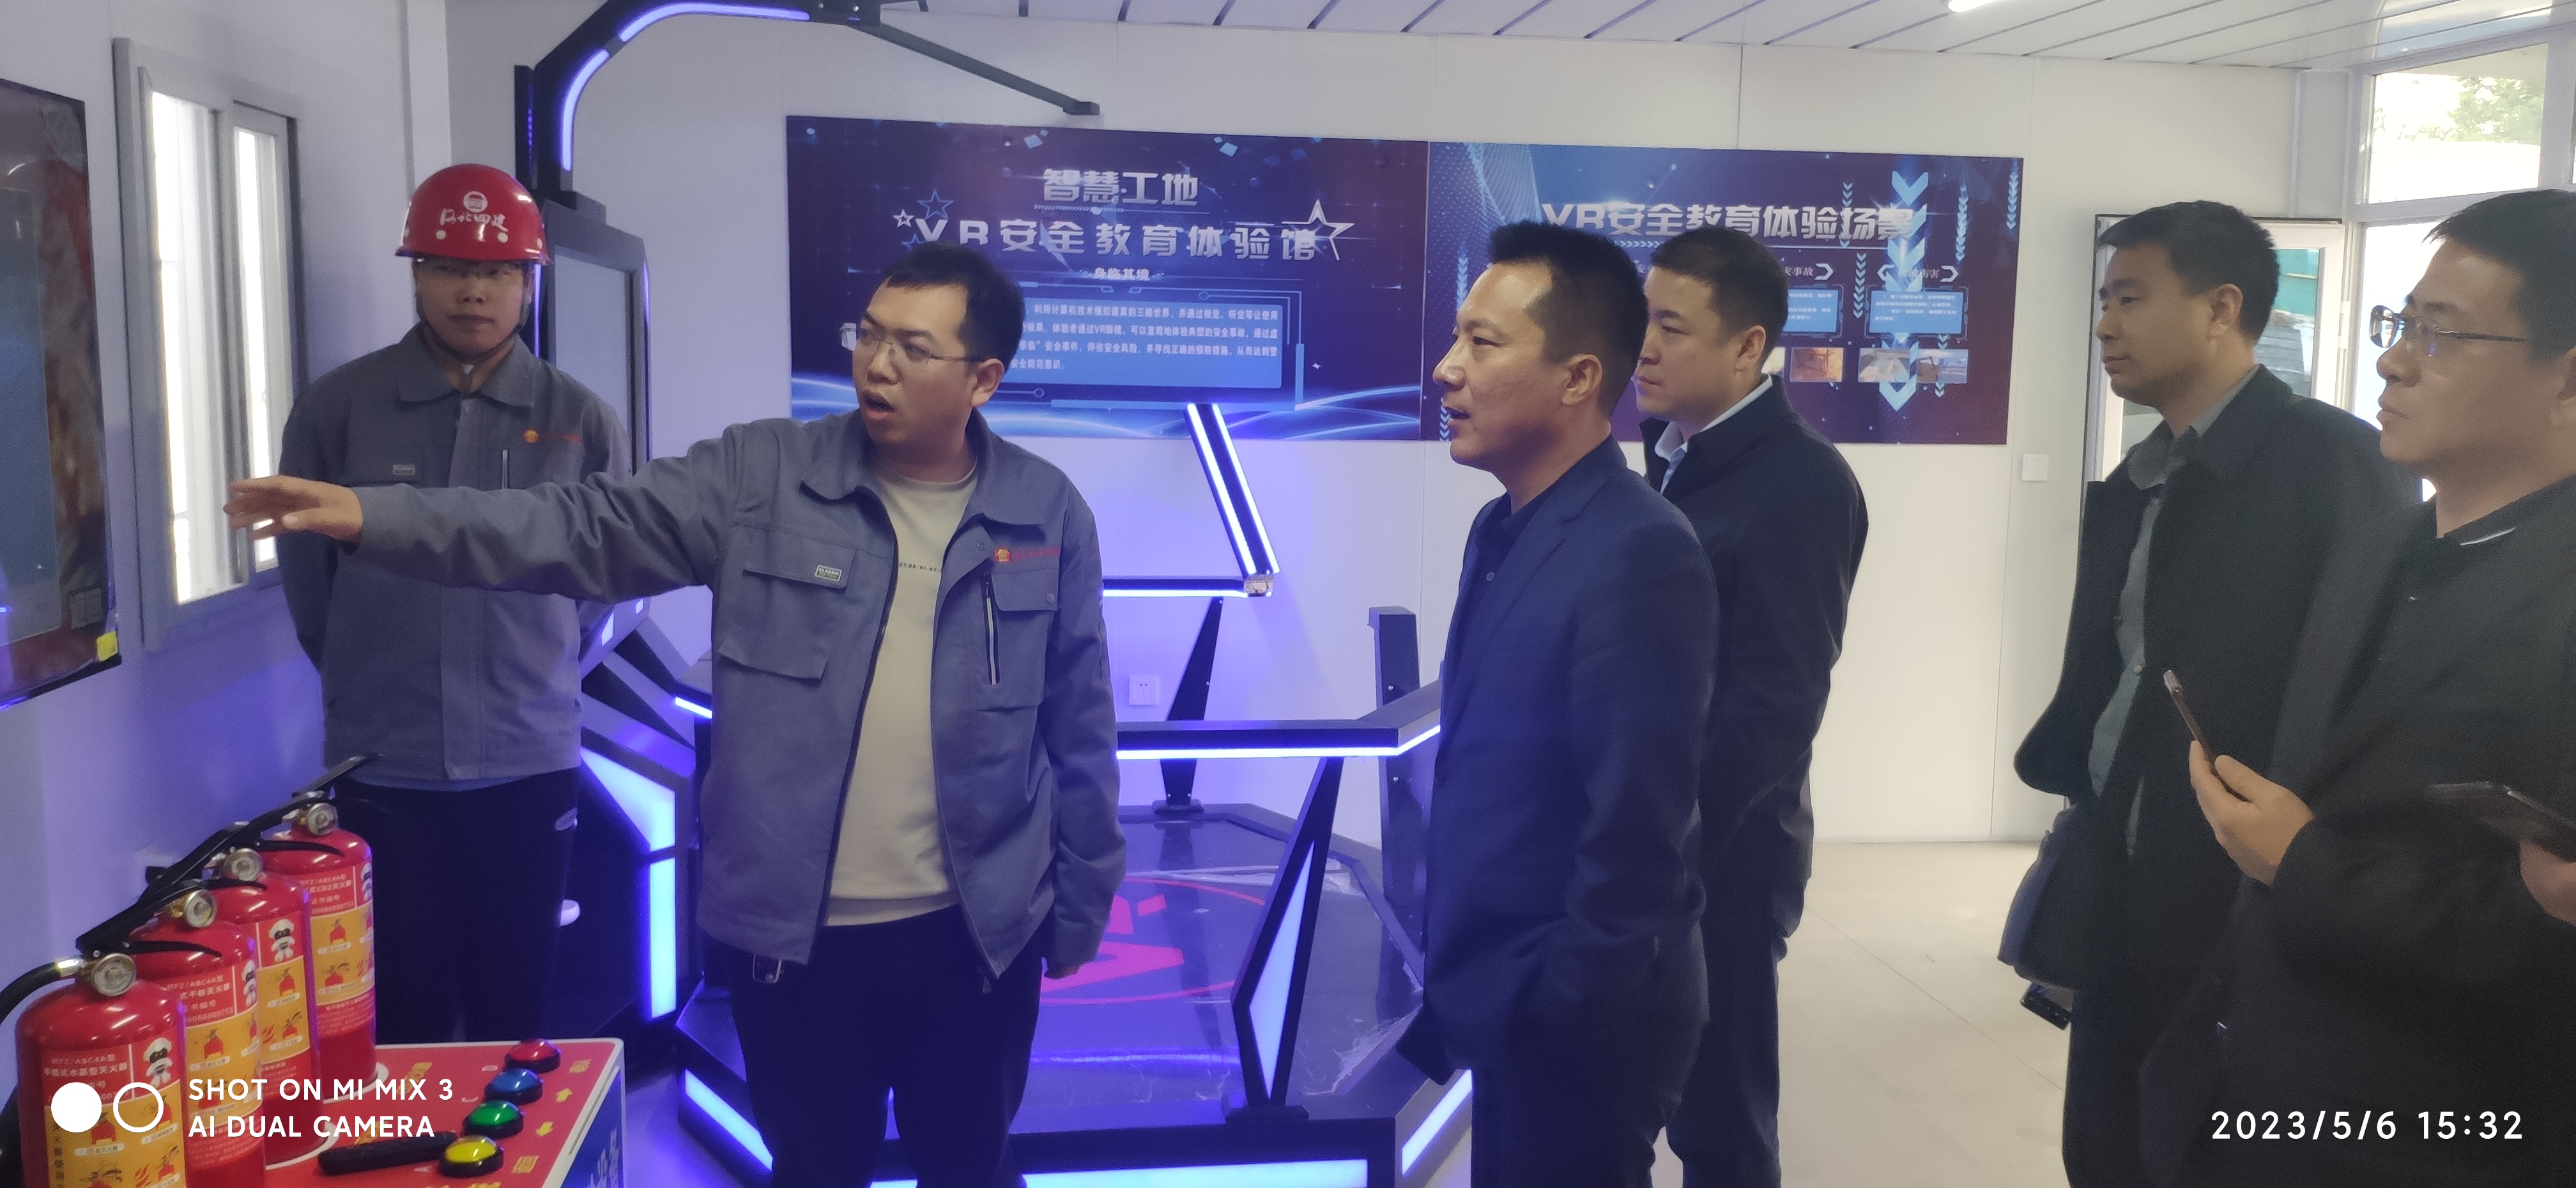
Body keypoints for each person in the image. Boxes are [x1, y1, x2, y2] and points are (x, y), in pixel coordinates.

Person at [231, 241, 1124, 1188]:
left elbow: (1080, 721)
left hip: (975, 939)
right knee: (816, 1169)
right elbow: (574, 526)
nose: (878, 364)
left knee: (972, 1164)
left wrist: (1080, 902)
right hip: (796, 944)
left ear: (983, 378)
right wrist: (375, 515)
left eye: (914, 347)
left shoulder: (1044, 510)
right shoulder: (762, 475)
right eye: (868, 336)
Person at [2145, 188, 2576, 1188]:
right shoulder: (2377, 548)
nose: (2394, 361)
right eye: (2401, 322)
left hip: (2446, 1121)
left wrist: (2303, 864)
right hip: (2262, 1077)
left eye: (2441, 334)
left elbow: (2549, 921)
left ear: (2566, 382)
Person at [2012, 201, 2415, 1188]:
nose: (2105, 325)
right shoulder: (2143, 475)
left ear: (2221, 309)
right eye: (2105, 300)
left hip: (2239, 888)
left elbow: (2362, 691)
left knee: (2201, 1146)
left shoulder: (2333, 464)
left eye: (2130, 299)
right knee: (2105, 1146)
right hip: (2125, 864)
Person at [1393, 222, 1717, 1188]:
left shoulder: (1639, 551)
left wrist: (1557, 1005)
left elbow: (1638, 833)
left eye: (1483, 343)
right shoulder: (1504, 527)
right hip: (1507, 996)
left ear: (1580, 378)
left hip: (1576, 1025)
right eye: (1457, 338)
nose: (1448, 370)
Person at [276, 163, 629, 1044]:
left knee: (516, 1002)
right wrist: (369, 671)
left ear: (529, 283)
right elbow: (311, 588)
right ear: (417, 275)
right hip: (383, 762)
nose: (474, 291)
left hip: (527, 759)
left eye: (499, 271)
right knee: (402, 1005)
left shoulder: (581, 419)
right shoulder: (339, 408)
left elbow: (602, 581)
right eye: (450, 267)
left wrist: (535, 662)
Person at [1634, 227, 1866, 1188]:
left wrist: (1674, 848)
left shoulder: (1802, 484)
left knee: (1722, 1120)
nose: (1645, 346)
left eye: (1671, 327)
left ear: (1747, 346)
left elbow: (1777, 704)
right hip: (1657, 838)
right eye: (1645, 320)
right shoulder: (1674, 453)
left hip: (1723, 854)